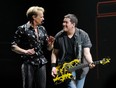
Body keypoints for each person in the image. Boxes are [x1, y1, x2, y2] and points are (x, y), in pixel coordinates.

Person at [11, 6, 54, 88]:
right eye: (41, 17)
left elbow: (49, 48)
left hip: (41, 62)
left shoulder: (42, 29)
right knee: (28, 86)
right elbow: (13, 46)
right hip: (28, 62)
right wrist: (25, 51)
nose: (43, 18)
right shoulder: (22, 29)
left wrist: (50, 44)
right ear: (34, 17)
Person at [51, 14, 95, 88]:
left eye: (66, 22)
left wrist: (90, 62)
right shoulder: (59, 36)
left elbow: (86, 53)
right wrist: (53, 67)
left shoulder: (83, 35)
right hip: (66, 67)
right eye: (63, 22)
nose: (63, 24)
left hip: (81, 67)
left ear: (73, 24)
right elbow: (54, 53)